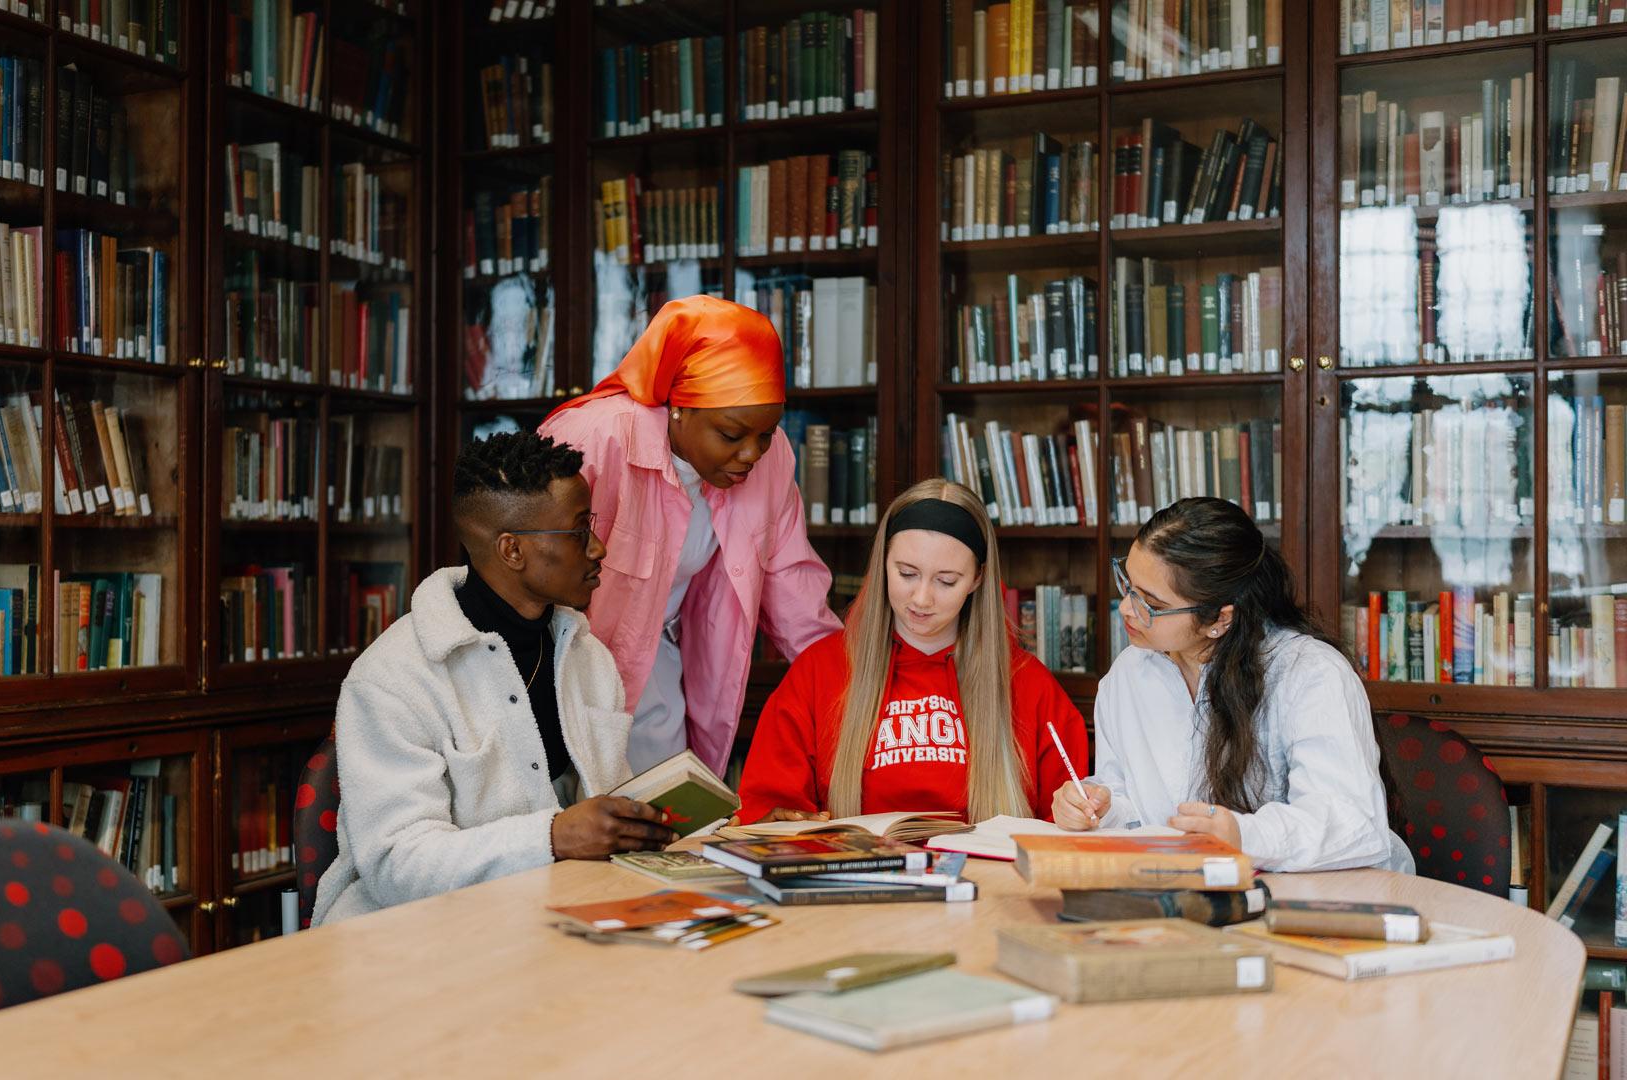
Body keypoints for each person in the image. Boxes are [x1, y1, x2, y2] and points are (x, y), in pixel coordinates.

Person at [310, 432, 672, 922]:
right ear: (512, 550)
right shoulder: (391, 678)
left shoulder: (587, 656)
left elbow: (597, 807)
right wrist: (553, 837)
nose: (599, 547)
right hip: (413, 944)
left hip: (555, 916)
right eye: (579, 530)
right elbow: (396, 865)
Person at [540, 295, 840, 775]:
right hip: (554, 661)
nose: (751, 454)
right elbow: (523, 567)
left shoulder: (772, 456)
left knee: (661, 819)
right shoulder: (594, 438)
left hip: (655, 658)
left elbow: (793, 589)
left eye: (766, 433)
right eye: (731, 434)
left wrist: (850, 686)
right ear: (679, 407)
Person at [1052, 497, 1414, 874]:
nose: (1126, 609)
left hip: (1322, 901)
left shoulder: (1311, 675)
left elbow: (1351, 824)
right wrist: (1099, 805)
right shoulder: (1129, 674)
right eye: (1127, 584)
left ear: (1220, 619)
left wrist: (1243, 836)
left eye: (1151, 604)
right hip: (1188, 894)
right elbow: (1129, 797)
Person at [735, 479, 1087, 824]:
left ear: (978, 579)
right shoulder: (820, 671)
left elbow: (1065, 825)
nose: (922, 599)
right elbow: (770, 810)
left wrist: (1076, 812)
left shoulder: (1026, 684)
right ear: (883, 563)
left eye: (946, 581)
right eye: (906, 574)